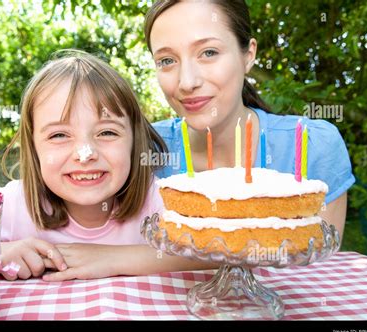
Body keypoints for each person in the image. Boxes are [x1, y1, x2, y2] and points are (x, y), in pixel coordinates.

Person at [0, 50, 212, 281]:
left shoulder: (158, 201)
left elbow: (217, 251)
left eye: (107, 132)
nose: (85, 154)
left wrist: (114, 258)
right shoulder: (13, 205)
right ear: (34, 146)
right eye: (59, 135)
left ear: (134, 142)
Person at [145, 0, 355, 237]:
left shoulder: (313, 146)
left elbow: (317, 262)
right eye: (167, 60)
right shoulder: (145, 148)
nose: (187, 82)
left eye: (209, 53)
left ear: (248, 55)